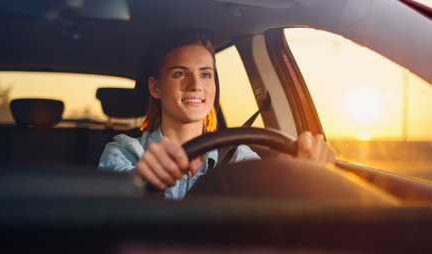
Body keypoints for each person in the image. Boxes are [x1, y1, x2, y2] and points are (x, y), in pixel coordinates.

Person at [98, 31, 335, 200]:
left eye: (206, 74)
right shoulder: (125, 151)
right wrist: (147, 184)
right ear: (155, 88)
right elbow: (111, 217)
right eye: (180, 73)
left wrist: (291, 179)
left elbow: (260, 212)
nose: (196, 85)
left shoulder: (236, 155)